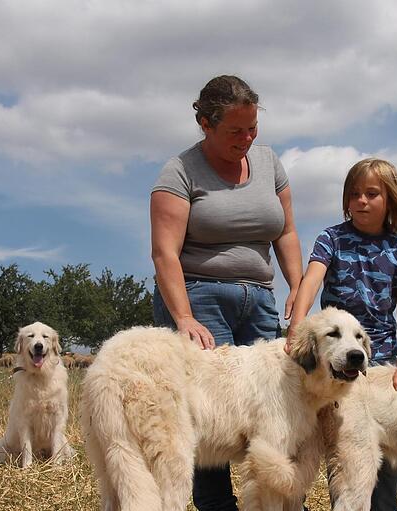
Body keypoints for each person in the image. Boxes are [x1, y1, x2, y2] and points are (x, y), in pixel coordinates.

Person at [150, 75, 302, 511]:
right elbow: (164, 254)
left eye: (253, 127)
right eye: (236, 131)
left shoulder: (269, 162)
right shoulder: (178, 172)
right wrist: (183, 318)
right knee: (208, 409)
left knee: (276, 400)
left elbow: (286, 232)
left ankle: (276, 498)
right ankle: (216, 503)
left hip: (260, 297)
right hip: (199, 296)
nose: (247, 138)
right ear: (204, 123)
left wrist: (296, 288)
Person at [287, 157, 397, 511]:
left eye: (371, 193)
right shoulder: (331, 238)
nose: (361, 201)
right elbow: (311, 280)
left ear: (391, 199)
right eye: (354, 194)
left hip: (380, 360)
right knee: (337, 444)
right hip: (333, 358)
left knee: (386, 450)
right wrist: (296, 327)